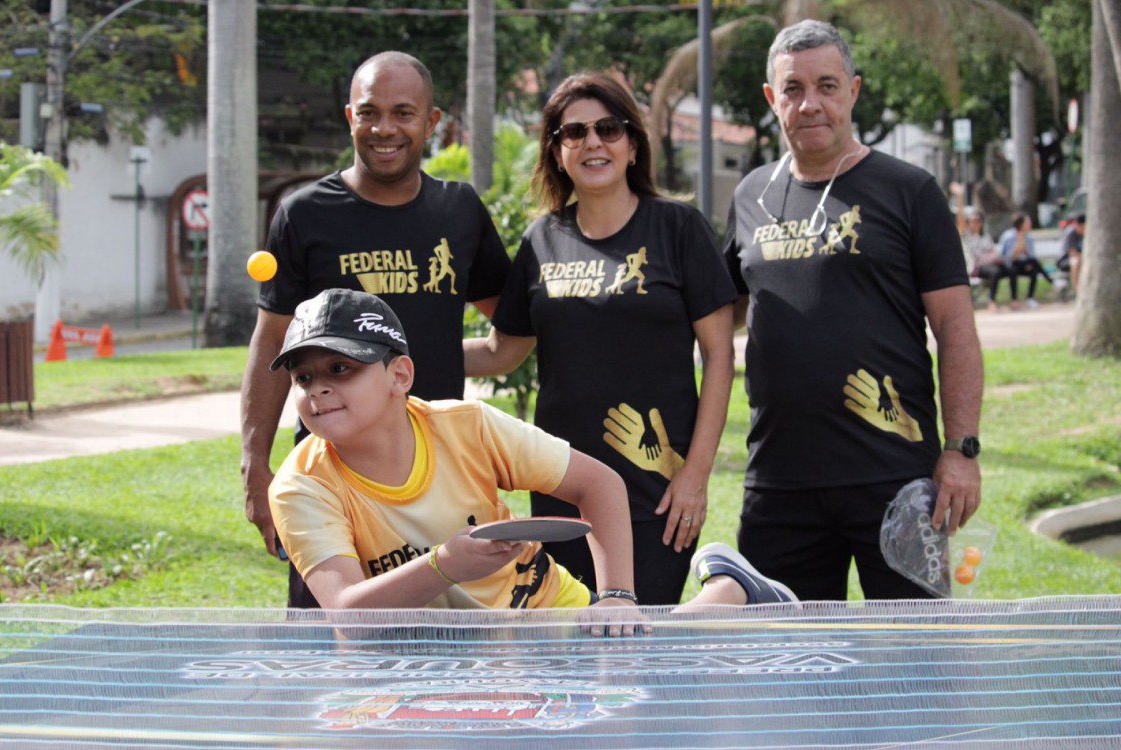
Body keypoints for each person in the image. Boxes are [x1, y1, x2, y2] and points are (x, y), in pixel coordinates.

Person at [268, 289, 796, 634]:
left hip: (544, 620)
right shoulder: (300, 485)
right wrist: (443, 565)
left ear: (399, 376)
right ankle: (732, 587)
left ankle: (731, 589)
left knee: (652, 668)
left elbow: (600, 484)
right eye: (304, 377)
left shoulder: (467, 424)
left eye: (341, 368)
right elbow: (345, 614)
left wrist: (616, 597)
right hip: (419, 662)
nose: (320, 390)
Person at [721, 20, 984, 601]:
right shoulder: (750, 195)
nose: (810, 103)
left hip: (896, 481)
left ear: (854, 91)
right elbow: (723, 314)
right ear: (772, 99)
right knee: (790, 670)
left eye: (827, 85)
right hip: (779, 482)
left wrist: (961, 451)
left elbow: (956, 328)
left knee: (918, 662)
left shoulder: (908, 190)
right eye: (792, 89)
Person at [241, 51, 512, 609]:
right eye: (369, 113)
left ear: (432, 122)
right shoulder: (304, 213)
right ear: (349, 117)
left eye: (403, 113)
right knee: (338, 654)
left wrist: (444, 356)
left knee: (450, 654)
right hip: (333, 481)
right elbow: (271, 343)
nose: (385, 128)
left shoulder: (458, 211)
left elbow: (511, 327)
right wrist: (255, 466)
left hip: (439, 479)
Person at [463, 73, 738, 606]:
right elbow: (504, 351)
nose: (593, 142)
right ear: (557, 152)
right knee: (572, 640)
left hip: (656, 485)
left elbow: (720, 357)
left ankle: (732, 593)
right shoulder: (542, 238)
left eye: (608, 129)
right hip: (561, 481)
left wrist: (696, 476)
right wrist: (399, 359)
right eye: (575, 132)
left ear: (633, 144)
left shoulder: (678, 228)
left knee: (639, 635)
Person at [951, 183, 1014, 312]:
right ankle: (991, 301)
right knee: (995, 272)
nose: (976, 223)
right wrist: (960, 196)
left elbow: (993, 251)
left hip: (989, 264)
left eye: (978, 220)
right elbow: (960, 219)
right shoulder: (966, 235)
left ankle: (1014, 300)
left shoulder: (985, 237)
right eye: (973, 221)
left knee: (1011, 269)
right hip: (975, 267)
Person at [998, 212, 1051, 309]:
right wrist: (1016, 250)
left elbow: (1031, 255)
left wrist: (1025, 253)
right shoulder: (1008, 236)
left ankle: (1030, 298)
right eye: (1027, 222)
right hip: (1009, 265)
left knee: (1033, 268)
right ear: (1021, 224)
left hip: (1023, 264)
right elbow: (1003, 256)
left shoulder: (1028, 237)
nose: (1030, 224)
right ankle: (1014, 300)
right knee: (1013, 270)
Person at [1057, 213, 1085, 295]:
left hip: (1081, 258)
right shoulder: (1071, 232)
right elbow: (1072, 252)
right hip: (1064, 260)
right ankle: (1077, 291)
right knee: (1076, 262)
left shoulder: (1085, 234)